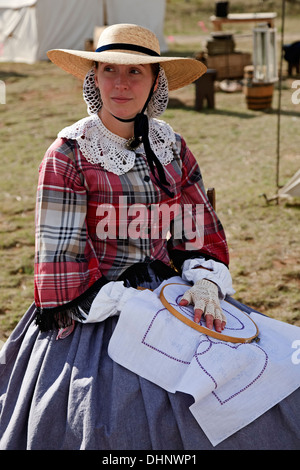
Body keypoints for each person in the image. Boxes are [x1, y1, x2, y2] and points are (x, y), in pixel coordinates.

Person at [0, 24, 299, 450]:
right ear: (94, 77)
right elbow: (61, 264)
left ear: (156, 82)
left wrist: (207, 283)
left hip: (169, 290)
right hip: (94, 307)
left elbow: (196, 231)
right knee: (114, 422)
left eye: (136, 72)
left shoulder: (171, 146)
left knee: (269, 371)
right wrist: (129, 302)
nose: (120, 83)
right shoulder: (69, 153)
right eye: (109, 70)